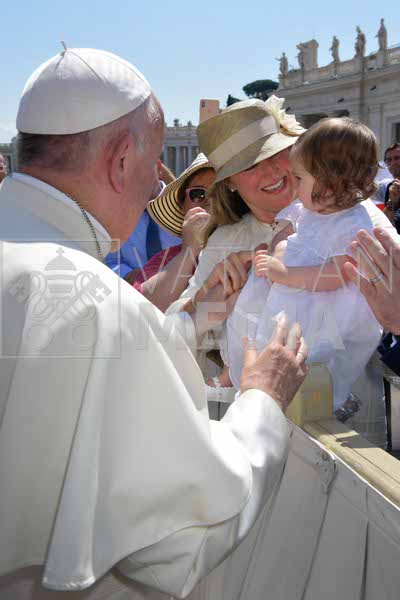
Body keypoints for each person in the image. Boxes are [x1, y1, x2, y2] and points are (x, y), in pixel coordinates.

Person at [0, 47, 308, 600]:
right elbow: (183, 540)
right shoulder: (95, 300)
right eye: (155, 163)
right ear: (121, 160)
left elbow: (102, 357)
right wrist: (263, 400)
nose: (155, 190)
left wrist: (198, 316)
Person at [169, 97, 393, 389]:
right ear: (230, 182)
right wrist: (208, 298)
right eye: (251, 165)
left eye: (276, 153)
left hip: (343, 396)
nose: (272, 171)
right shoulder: (224, 240)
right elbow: (174, 330)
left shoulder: (357, 219)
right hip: (254, 402)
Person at [226, 118, 398, 412]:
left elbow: (338, 274)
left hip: (323, 306)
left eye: (300, 178)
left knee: (312, 353)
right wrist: (279, 251)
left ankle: (309, 400)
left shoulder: (353, 223)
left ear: (330, 183)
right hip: (293, 292)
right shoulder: (310, 210)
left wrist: (286, 273)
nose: (293, 184)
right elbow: (290, 235)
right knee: (265, 333)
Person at [133, 153, 214, 312]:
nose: (210, 202)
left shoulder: (254, 245)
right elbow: (143, 310)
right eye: (198, 194)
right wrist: (189, 251)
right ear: (182, 206)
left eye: (221, 193)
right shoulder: (165, 259)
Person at [105, 174, 181, 284]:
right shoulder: (115, 214)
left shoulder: (186, 201)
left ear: (158, 168)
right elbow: (112, 260)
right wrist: (128, 274)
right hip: (133, 291)